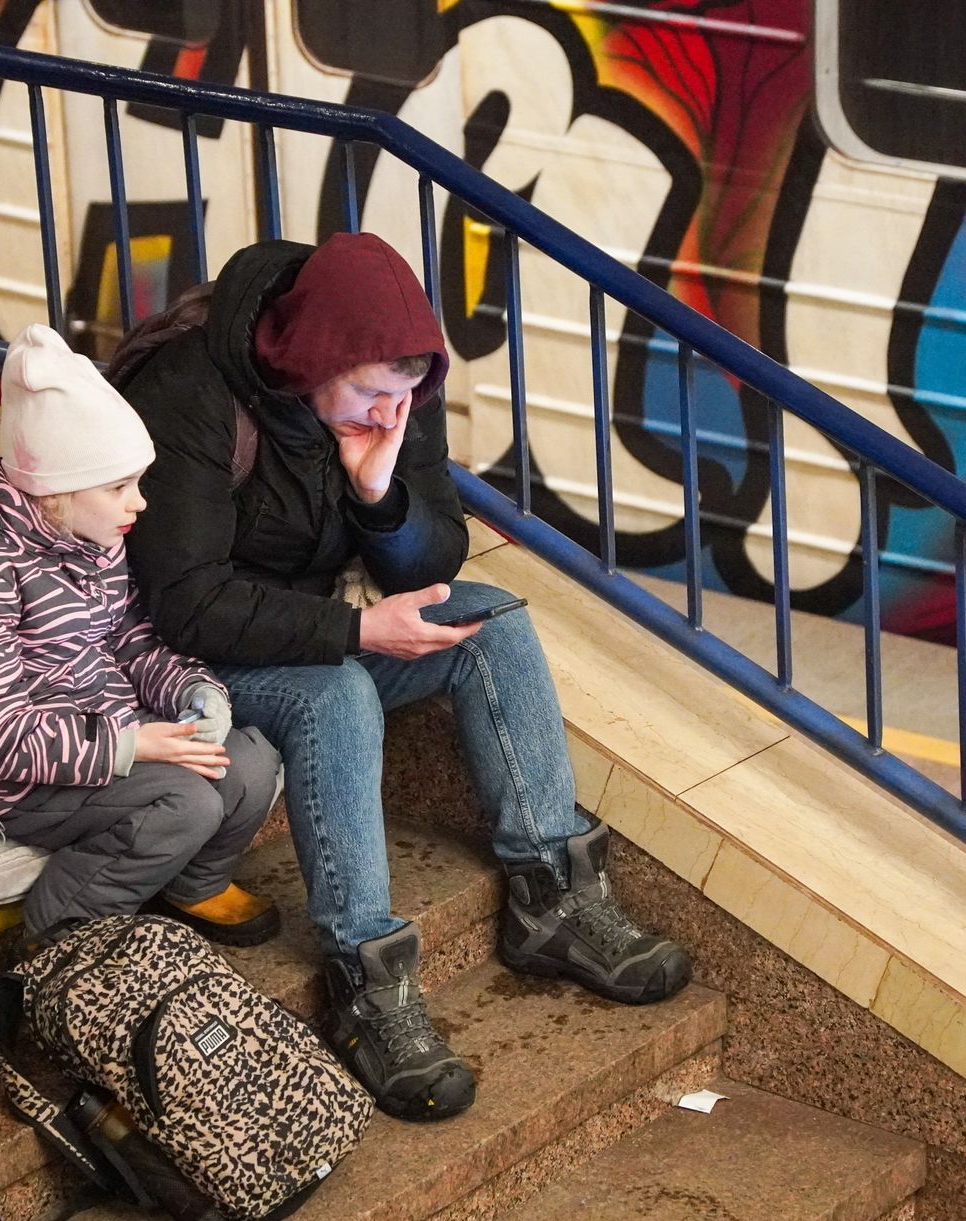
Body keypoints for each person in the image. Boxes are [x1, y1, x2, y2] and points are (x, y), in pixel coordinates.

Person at [122, 232, 690, 1122]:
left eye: (407, 397)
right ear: (313, 357)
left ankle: (554, 897)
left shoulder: (394, 392)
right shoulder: (191, 391)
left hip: (314, 625)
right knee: (337, 689)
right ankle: (367, 982)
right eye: (370, 395)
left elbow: (440, 552)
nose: (392, 413)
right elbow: (182, 600)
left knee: (489, 619)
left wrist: (380, 496)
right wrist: (354, 629)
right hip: (189, 664)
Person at [0, 324, 282, 949]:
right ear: (56, 495)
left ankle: (194, 883)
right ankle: (58, 934)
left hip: (105, 730)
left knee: (252, 763)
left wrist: (191, 691)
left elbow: (127, 637)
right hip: (15, 783)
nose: (141, 504)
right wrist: (132, 747)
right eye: (120, 487)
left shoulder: (96, 540)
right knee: (188, 803)